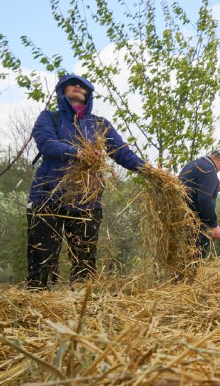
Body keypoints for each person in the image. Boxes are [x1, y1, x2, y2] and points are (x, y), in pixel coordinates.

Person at [26, 74, 145, 290]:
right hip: (48, 198)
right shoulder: (49, 118)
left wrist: (148, 170)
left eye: (83, 86)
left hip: (87, 202)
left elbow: (122, 154)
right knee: (42, 262)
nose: (78, 87)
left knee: (84, 264)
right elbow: (47, 144)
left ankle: (81, 308)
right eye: (73, 84)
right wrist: (78, 152)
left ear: (89, 94)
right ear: (62, 90)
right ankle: (38, 310)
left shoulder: (99, 124)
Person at [178, 150, 220, 259]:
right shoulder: (209, 171)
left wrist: (214, 189)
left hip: (181, 217)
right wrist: (214, 225)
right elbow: (204, 199)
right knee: (195, 257)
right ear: (219, 160)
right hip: (195, 223)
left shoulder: (194, 164)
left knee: (182, 257)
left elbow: (194, 191)